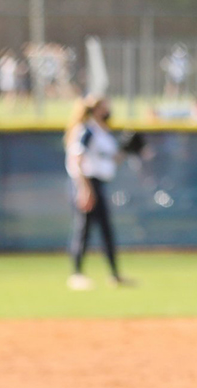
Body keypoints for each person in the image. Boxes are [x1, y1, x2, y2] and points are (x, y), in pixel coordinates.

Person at [64, 96, 133, 290]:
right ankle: (76, 275)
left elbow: (111, 159)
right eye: (105, 107)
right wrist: (84, 189)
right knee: (83, 229)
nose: (109, 110)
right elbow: (77, 160)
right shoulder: (86, 130)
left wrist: (127, 150)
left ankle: (115, 275)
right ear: (96, 110)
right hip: (86, 182)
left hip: (98, 183)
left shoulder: (103, 132)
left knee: (106, 230)